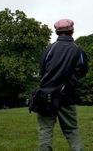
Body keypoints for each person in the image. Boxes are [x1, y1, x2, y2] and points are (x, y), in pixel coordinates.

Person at [37, 19, 88, 151]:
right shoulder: (79, 51)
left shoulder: (49, 48)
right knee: (71, 131)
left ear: (56, 32)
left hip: (46, 96)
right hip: (68, 96)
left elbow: (42, 71)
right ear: (72, 31)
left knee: (45, 130)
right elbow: (83, 71)